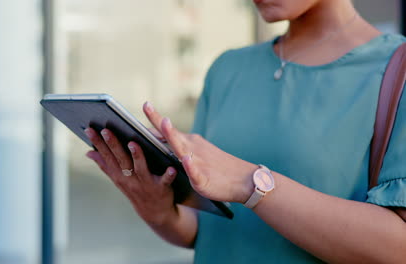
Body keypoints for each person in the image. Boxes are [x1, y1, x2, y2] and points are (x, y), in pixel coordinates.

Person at [84, 0, 406, 262]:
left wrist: (249, 182)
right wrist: (158, 212)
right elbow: (206, 229)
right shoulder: (228, 69)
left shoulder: (395, 70)